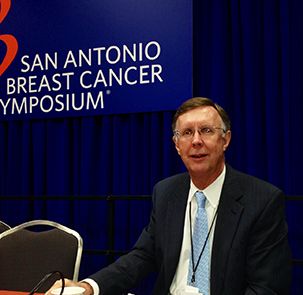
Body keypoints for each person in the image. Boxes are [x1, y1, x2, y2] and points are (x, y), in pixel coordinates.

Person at [46, 97, 292, 295]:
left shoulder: (262, 201)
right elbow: (144, 256)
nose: (196, 141)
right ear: (176, 144)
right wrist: (89, 287)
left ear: (225, 139)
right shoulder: (166, 192)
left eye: (206, 131)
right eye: (186, 133)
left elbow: (266, 287)